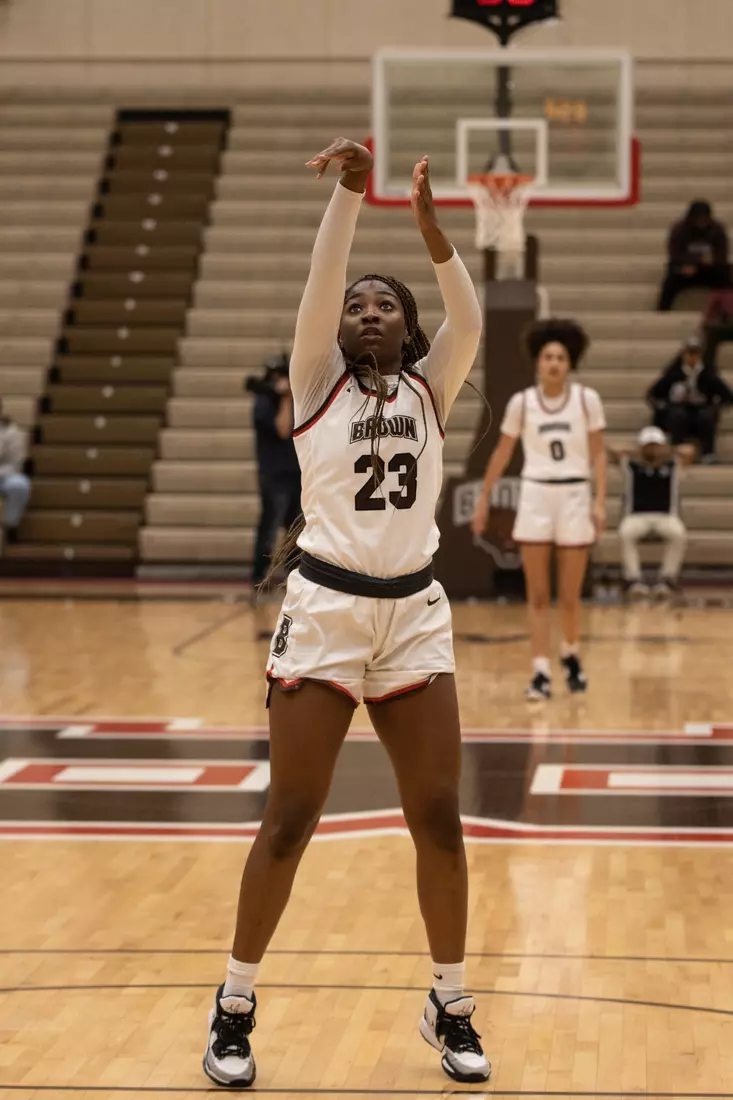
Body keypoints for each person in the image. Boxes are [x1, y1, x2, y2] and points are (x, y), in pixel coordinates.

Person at [202, 138, 489, 1088]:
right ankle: (234, 1004)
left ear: (407, 331)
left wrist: (436, 239)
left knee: (440, 818)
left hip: (412, 616)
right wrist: (351, 199)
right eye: (357, 303)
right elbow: (323, 280)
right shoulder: (315, 380)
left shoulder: (429, 387)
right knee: (290, 816)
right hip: (325, 608)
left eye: (385, 304)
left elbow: (471, 323)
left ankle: (449, 1001)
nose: (366, 310)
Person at [471, 320, 607, 701]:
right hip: (535, 496)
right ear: (537, 362)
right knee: (537, 594)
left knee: (569, 593)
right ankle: (540, 671)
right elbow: (502, 453)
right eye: (548, 357)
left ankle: (571, 654)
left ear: (570, 363)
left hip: (575, 496)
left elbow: (598, 454)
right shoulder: (522, 403)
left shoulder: (586, 400)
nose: (553, 363)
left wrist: (599, 503)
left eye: (560, 357)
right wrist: (484, 499)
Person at [610, 426, 693, 601]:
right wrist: (639, 452)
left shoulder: (673, 467)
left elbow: (689, 451)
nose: (652, 449)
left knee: (679, 534)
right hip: (636, 516)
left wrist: (665, 452)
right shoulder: (630, 467)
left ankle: (667, 578)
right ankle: (633, 579)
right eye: (648, 446)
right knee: (625, 533)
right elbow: (613, 450)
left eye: (656, 445)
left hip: (666, 516)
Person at [247, 353, 302, 587]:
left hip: (296, 474)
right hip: (274, 477)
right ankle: (260, 576)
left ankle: (294, 575)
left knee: (295, 531)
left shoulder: (298, 400)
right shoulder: (264, 401)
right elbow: (282, 429)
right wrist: (286, 399)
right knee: (269, 527)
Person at [647, 336, 733, 463]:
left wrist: (717, 406)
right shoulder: (673, 373)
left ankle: (708, 453)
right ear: (684, 354)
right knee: (678, 415)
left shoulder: (708, 373)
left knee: (706, 416)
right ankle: (677, 452)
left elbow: (727, 395)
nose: (692, 357)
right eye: (689, 353)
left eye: (695, 353)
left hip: (701, 409)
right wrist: (663, 406)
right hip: (678, 408)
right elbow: (653, 393)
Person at [657, 200, 729, 312]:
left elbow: (722, 255)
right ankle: (662, 309)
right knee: (671, 278)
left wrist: (708, 262)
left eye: (704, 219)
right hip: (686, 269)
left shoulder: (717, 230)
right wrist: (695, 261)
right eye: (699, 219)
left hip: (709, 269)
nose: (701, 222)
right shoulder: (679, 230)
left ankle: (727, 312)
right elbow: (675, 254)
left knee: (724, 274)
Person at [0, 398, 31, 542]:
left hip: (3, 476)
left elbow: (15, 465)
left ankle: (9, 527)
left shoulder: (11, 431)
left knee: (20, 485)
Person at [703, 272, 733, 363]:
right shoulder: (721, 293)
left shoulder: (720, 293)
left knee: (711, 334)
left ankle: (707, 367)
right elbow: (708, 317)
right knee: (711, 334)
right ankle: (707, 367)